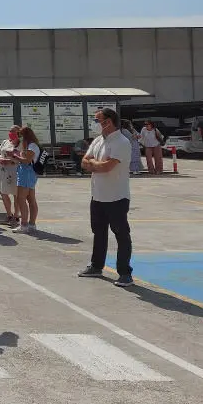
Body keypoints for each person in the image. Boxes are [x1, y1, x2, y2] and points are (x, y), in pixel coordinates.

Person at [78, 107, 134, 287]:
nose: (94, 123)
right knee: (99, 232)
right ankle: (96, 266)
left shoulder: (121, 142)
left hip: (117, 196)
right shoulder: (97, 141)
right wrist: (95, 163)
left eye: (97, 120)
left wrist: (94, 164)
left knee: (121, 234)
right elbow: (84, 162)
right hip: (98, 196)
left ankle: (125, 273)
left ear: (108, 122)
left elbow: (107, 167)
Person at [11, 126, 41, 234]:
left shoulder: (32, 145)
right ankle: (31, 224)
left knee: (21, 198)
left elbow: (27, 161)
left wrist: (15, 156)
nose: (20, 137)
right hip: (28, 172)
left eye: (20, 135)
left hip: (26, 172)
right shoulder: (31, 145)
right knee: (30, 199)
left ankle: (24, 225)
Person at [0, 126, 22, 225]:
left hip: (14, 171)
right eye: (9, 131)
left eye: (13, 131)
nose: (10, 133)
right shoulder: (5, 142)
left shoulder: (22, 144)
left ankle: (16, 215)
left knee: (16, 194)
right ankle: (9, 214)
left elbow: (22, 157)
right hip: (2, 171)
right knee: (3, 193)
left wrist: (11, 160)